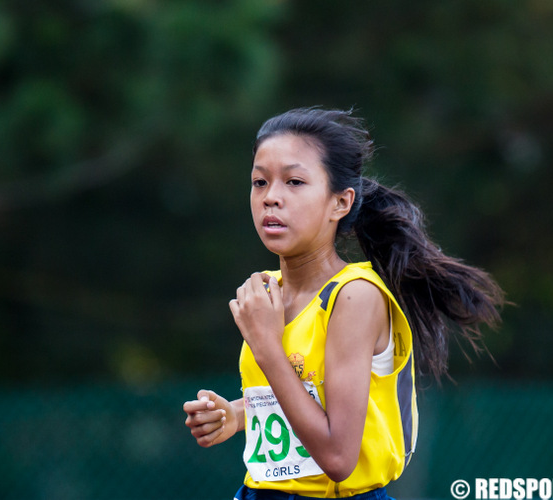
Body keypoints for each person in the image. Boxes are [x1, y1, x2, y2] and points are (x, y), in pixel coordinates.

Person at [183, 107, 505, 499]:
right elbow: (304, 393)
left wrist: (267, 348)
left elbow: (338, 457)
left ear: (340, 202)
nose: (271, 198)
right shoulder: (269, 294)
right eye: (259, 182)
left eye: (295, 181)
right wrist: (237, 414)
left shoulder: (354, 295)